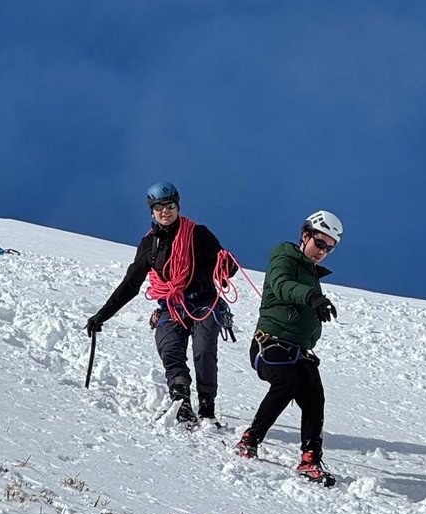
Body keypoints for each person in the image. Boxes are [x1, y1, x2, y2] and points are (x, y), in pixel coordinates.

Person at [85, 182, 237, 425]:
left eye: (170, 205)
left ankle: (207, 407)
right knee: (169, 348)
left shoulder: (198, 234)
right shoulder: (150, 245)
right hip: (171, 306)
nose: (165, 211)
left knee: (204, 348)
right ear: (152, 211)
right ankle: (181, 400)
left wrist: (226, 265)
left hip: (204, 303)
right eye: (159, 207)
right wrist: (101, 315)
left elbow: (226, 267)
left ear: (178, 206)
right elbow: (130, 284)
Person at [235, 209, 343, 484]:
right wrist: (312, 297)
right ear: (305, 235)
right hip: (270, 343)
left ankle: (310, 459)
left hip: (298, 350)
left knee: (315, 396)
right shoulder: (284, 256)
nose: (322, 252)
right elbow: (282, 285)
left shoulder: (311, 276)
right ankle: (250, 439)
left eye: (329, 248)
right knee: (288, 382)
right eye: (320, 243)